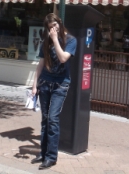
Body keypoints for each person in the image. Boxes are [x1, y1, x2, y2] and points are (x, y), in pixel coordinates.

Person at [31, 13, 77, 170]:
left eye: (55, 25)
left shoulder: (71, 40)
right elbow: (41, 64)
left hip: (60, 85)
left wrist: (56, 40)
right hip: (45, 83)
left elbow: (64, 58)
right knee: (44, 120)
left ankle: (51, 156)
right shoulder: (46, 41)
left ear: (60, 23)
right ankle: (43, 153)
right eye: (51, 27)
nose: (54, 28)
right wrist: (34, 84)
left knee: (52, 118)